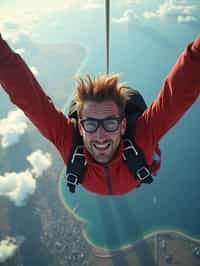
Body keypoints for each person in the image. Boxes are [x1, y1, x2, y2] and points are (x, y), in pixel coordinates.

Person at [0, 33, 199, 195]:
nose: (101, 135)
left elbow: (181, 88)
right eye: (91, 124)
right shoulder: (68, 138)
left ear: (123, 126)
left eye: (110, 123)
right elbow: (28, 97)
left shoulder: (142, 134)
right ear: (79, 126)